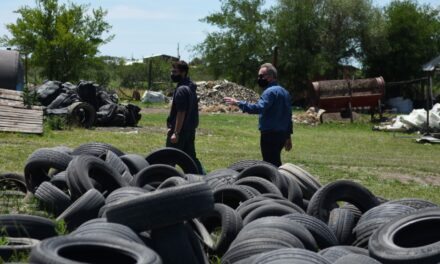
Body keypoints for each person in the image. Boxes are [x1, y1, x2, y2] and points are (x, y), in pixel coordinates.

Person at [224, 63, 293, 167]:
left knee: (270, 164)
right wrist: (288, 136)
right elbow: (288, 116)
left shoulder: (269, 92)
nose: (259, 78)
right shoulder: (285, 92)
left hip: (270, 135)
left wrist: (238, 103)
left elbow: (259, 108)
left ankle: (275, 182)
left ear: (270, 77)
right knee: (275, 161)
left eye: (261, 76)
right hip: (281, 135)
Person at [166, 60, 204, 174]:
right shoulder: (190, 86)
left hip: (180, 131)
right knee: (191, 159)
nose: (172, 74)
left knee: (168, 158)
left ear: (183, 73)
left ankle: (163, 180)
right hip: (189, 130)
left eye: (175, 71)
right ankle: (203, 178)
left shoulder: (182, 89)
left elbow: (181, 112)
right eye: (172, 71)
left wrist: (176, 133)